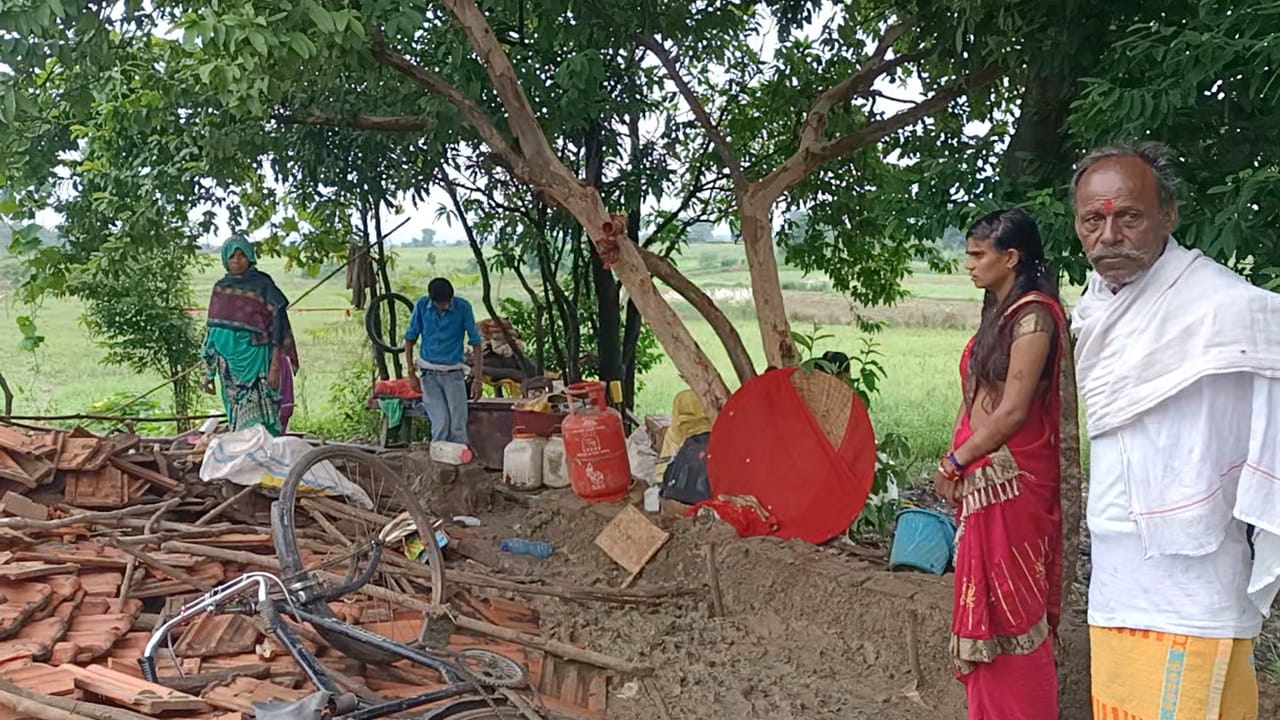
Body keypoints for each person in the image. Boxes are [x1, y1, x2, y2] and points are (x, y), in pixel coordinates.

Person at [1070, 142, 1280, 719]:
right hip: (1117, 572)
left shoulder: (1226, 310)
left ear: (1169, 215)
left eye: (1129, 216)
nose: (1109, 234)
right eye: (1094, 219)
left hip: (1196, 572)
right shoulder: (1095, 307)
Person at [933, 209, 1079, 720]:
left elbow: (1014, 409)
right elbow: (979, 393)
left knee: (1015, 612)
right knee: (989, 608)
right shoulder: (1000, 313)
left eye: (978, 254)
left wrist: (955, 461)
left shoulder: (1035, 316)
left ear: (1010, 257)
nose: (968, 263)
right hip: (984, 477)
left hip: (1013, 484)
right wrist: (960, 461)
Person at [201, 235, 298, 436]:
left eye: (242, 255)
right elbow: (212, 332)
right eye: (232, 256)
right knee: (235, 415)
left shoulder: (263, 285)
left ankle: (265, 457)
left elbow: (278, 325)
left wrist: (275, 365)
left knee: (263, 416)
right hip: (227, 365)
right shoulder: (221, 287)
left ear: (250, 257)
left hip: (256, 360)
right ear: (225, 259)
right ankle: (245, 457)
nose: (237, 260)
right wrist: (207, 372)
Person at [404, 278, 484, 445]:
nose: (446, 306)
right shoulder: (421, 306)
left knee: (458, 426)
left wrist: (478, 378)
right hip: (428, 375)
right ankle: (441, 465)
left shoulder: (463, 307)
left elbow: (476, 342)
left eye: (448, 302)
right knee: (441, 423)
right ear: (432, 301)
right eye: (442, 304)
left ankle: (458, 464)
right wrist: (411, 373)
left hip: (454, 374)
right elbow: (409, 339)